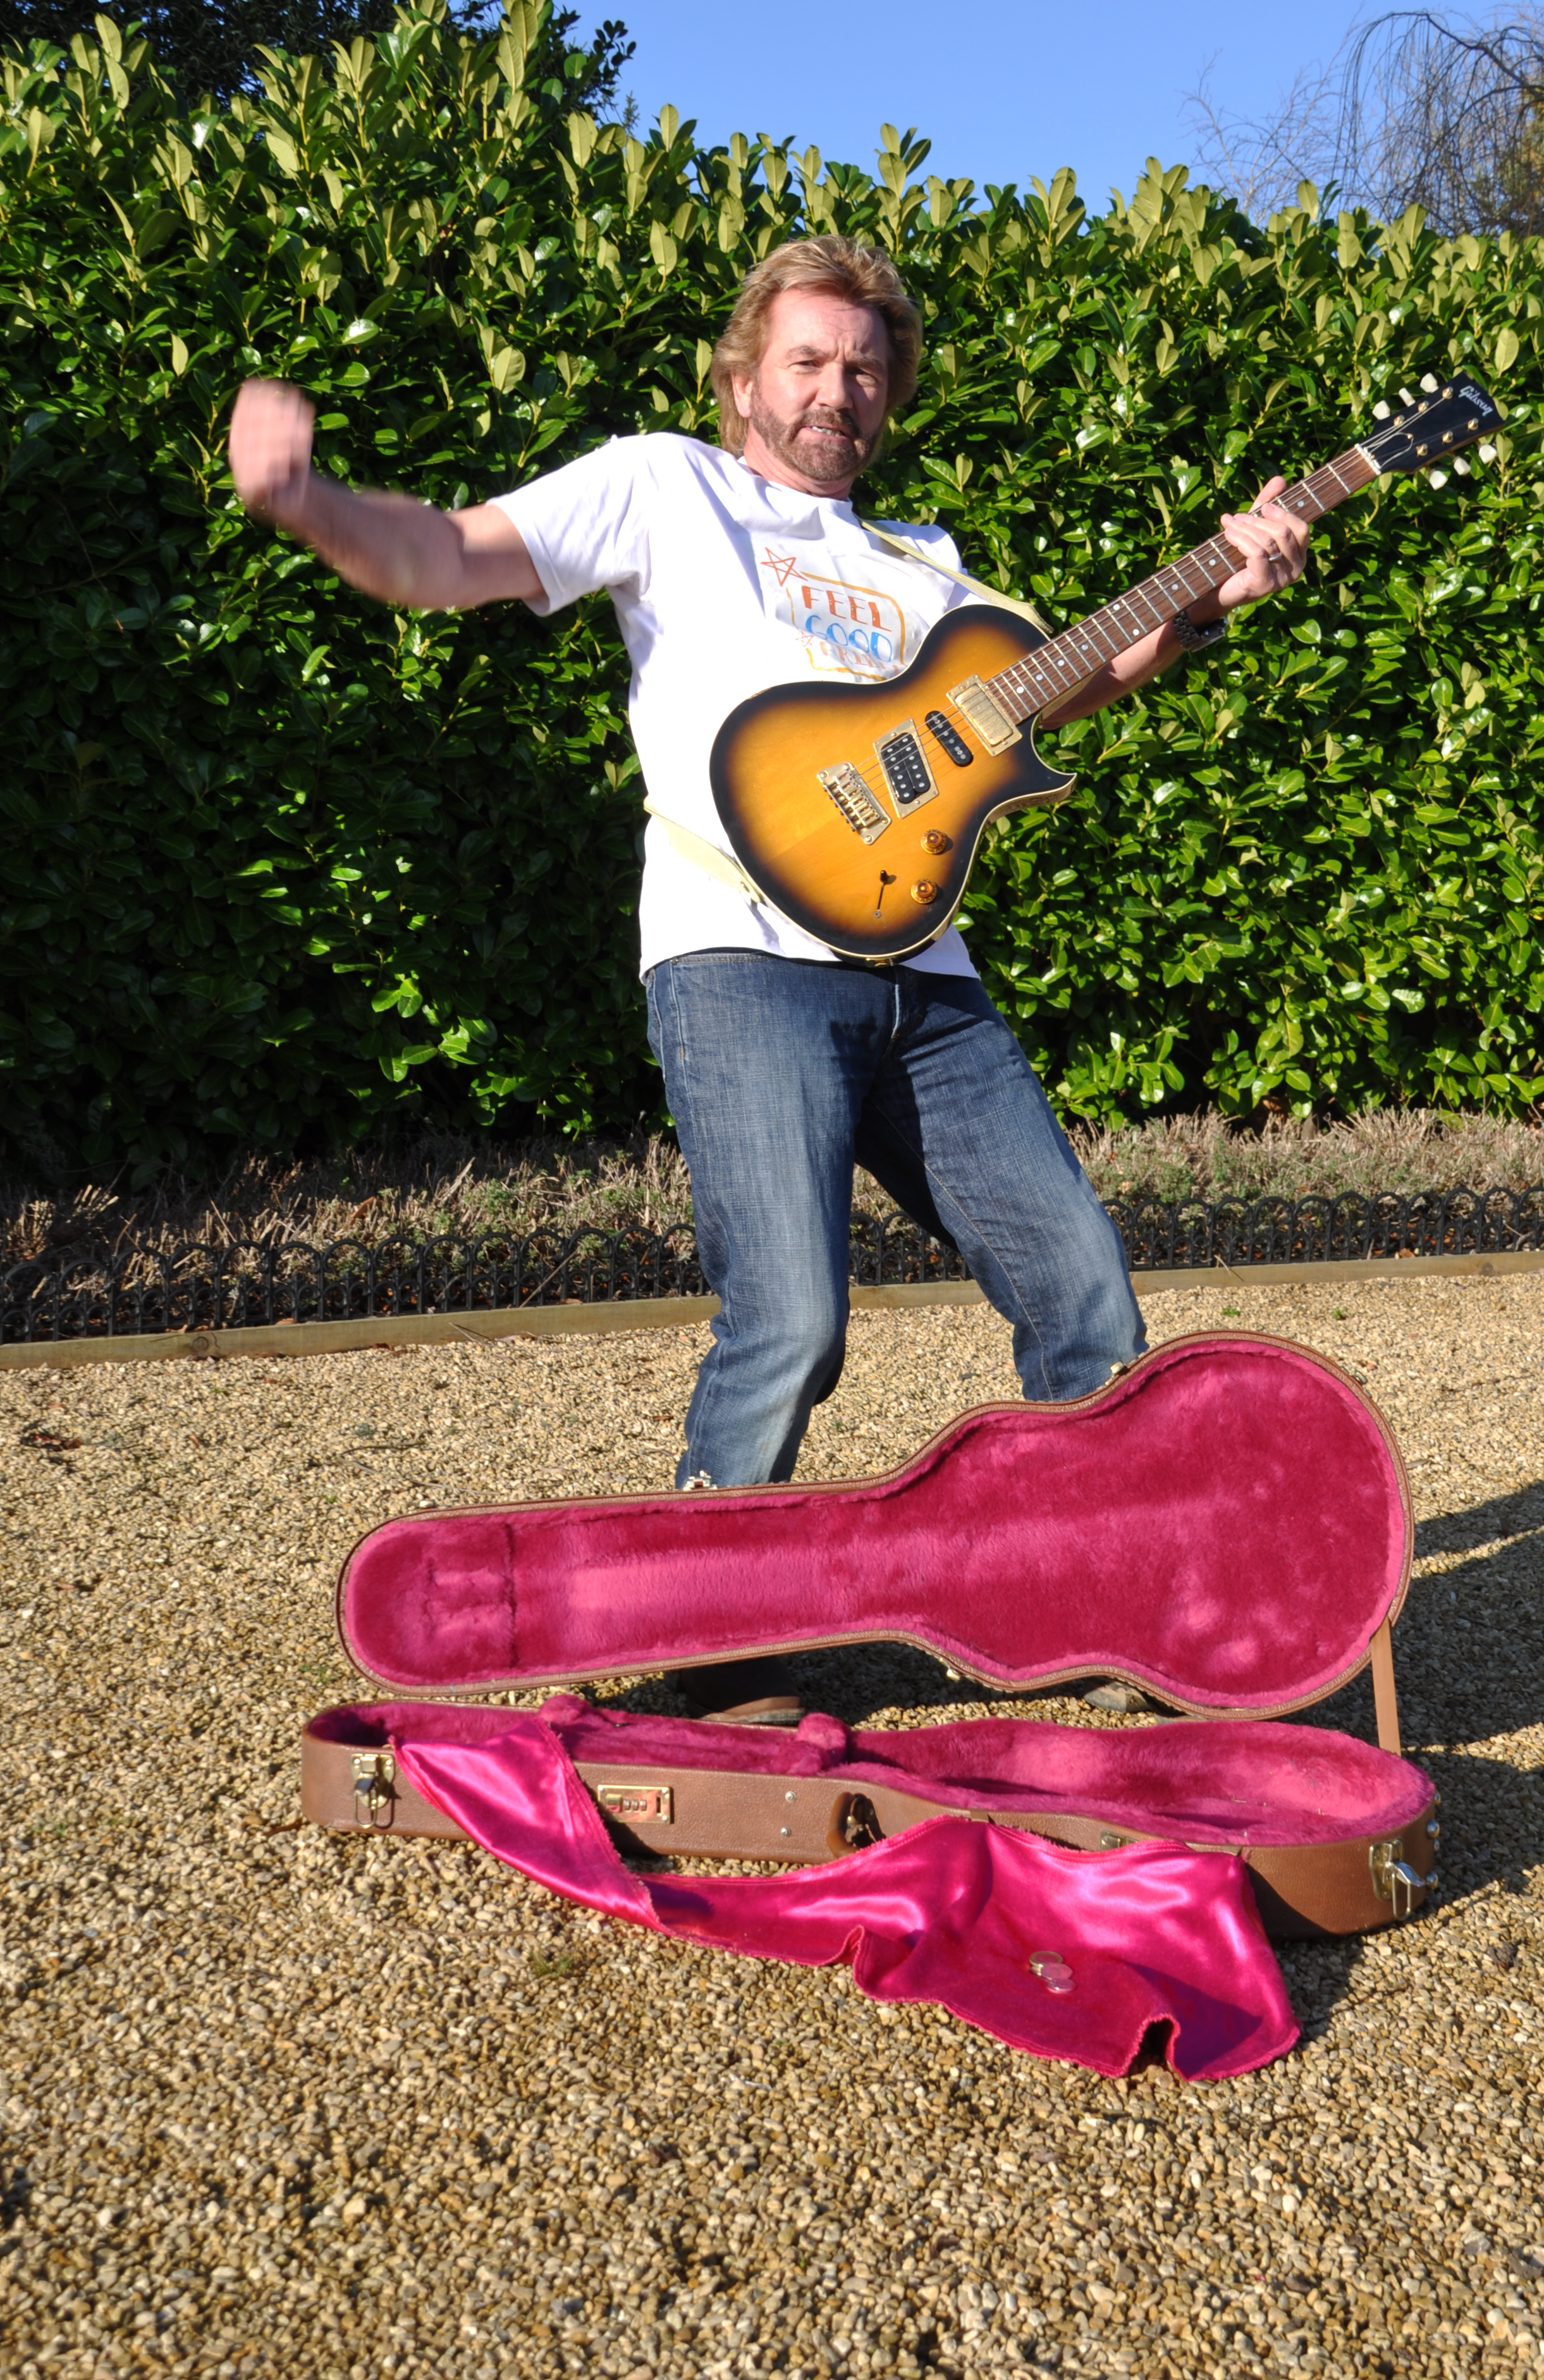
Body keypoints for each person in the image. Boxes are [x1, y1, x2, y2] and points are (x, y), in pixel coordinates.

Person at [229, 235, 1309, 1718]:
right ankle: (702, 1651)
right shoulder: (665, 486)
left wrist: (1214, 590)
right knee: (791, 1317)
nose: (836, 389)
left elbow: (1075, 674)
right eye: (806, 359)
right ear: (741, 378)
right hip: (738, 956)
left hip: (928, 978)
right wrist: (313, 505)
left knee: (1083, 1289)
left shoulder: (930, 570)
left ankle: (1112, 1605)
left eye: (865, 367)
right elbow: (445, 558)